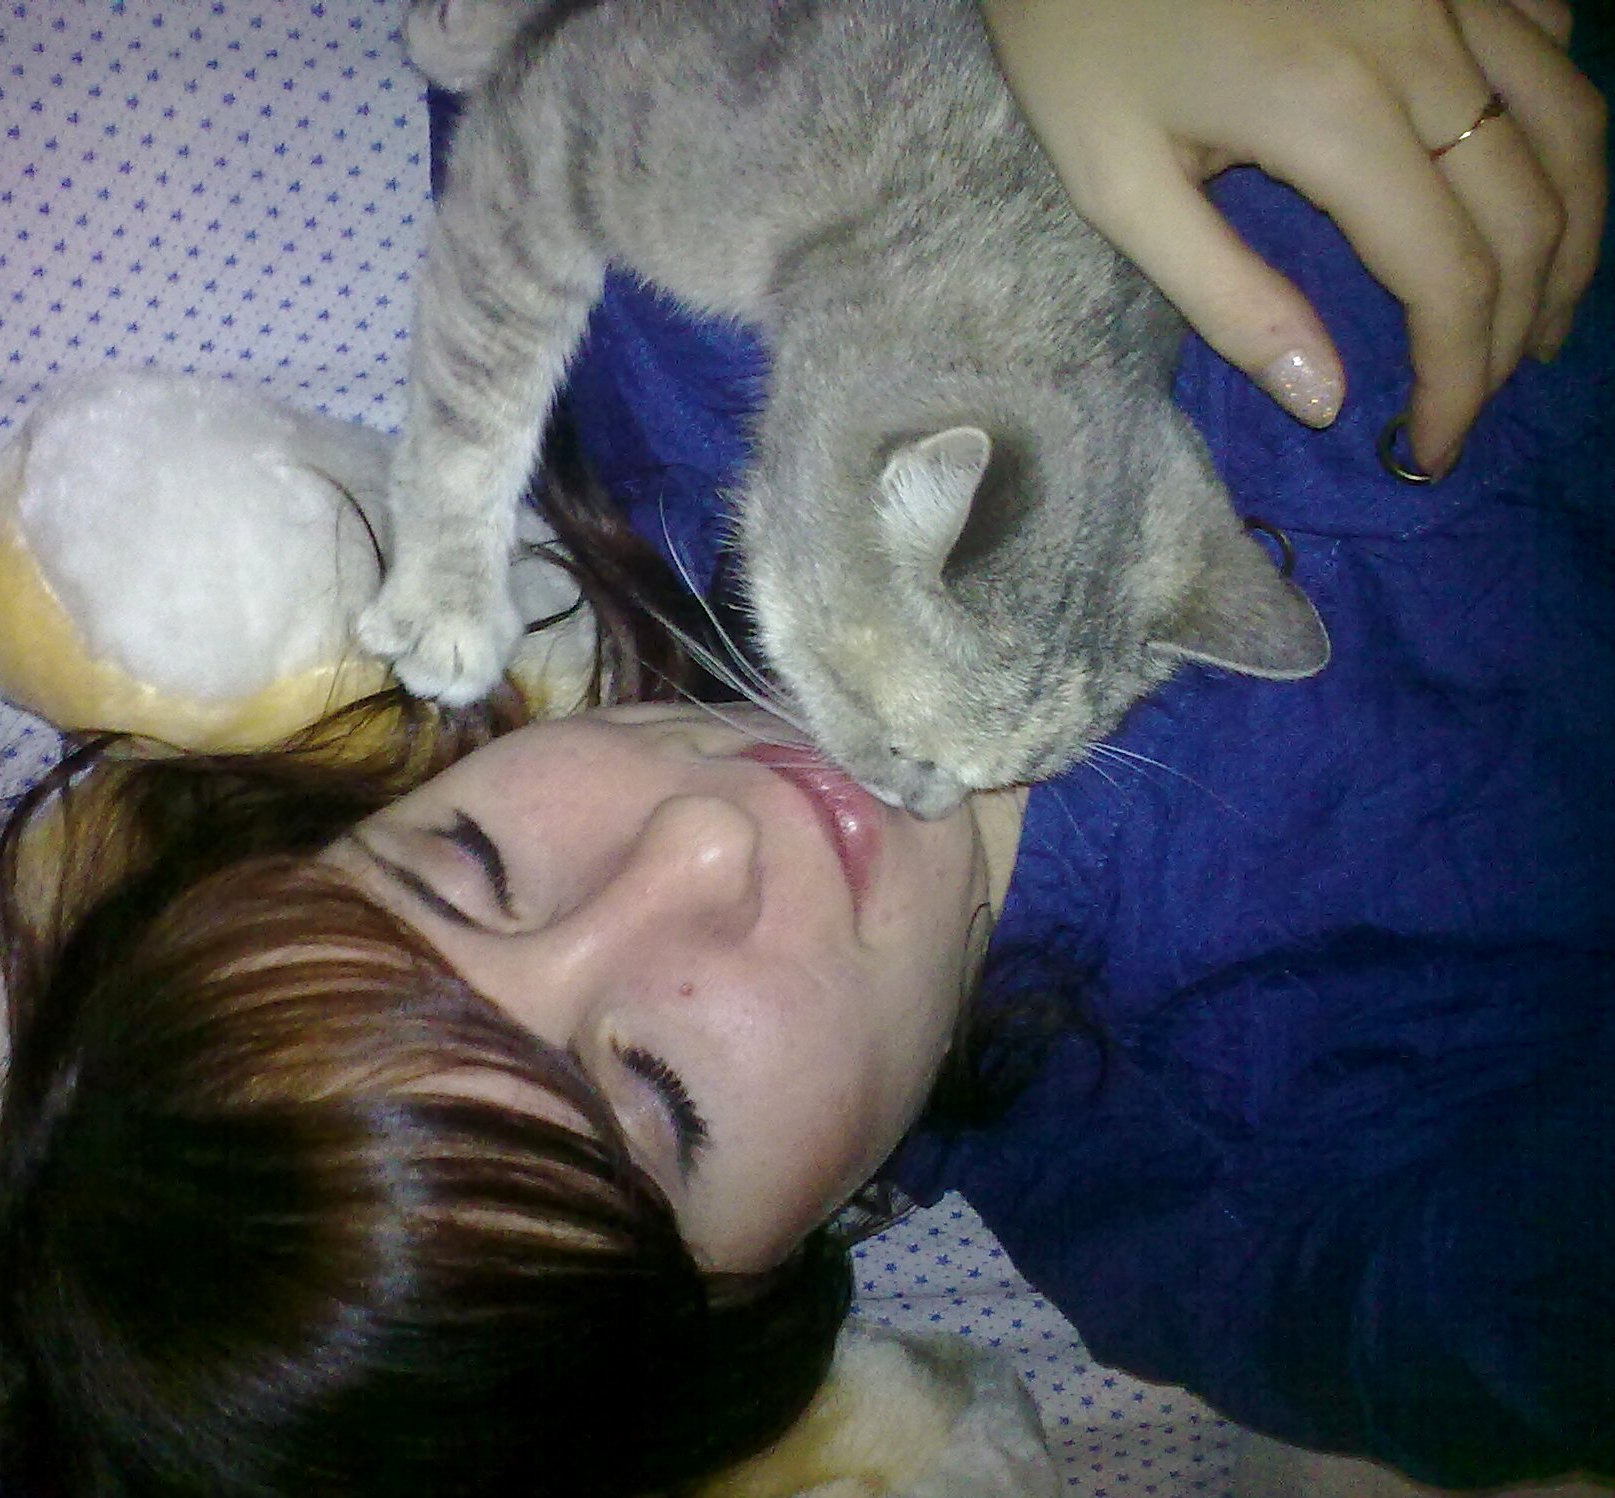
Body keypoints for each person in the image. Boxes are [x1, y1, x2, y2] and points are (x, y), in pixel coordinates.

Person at [2, 1, 1611, 1494]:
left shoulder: (616, 293)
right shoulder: (1298, 1223)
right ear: (748, 1300)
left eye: (468, 859)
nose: (699, 844)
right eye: (657, 1094)